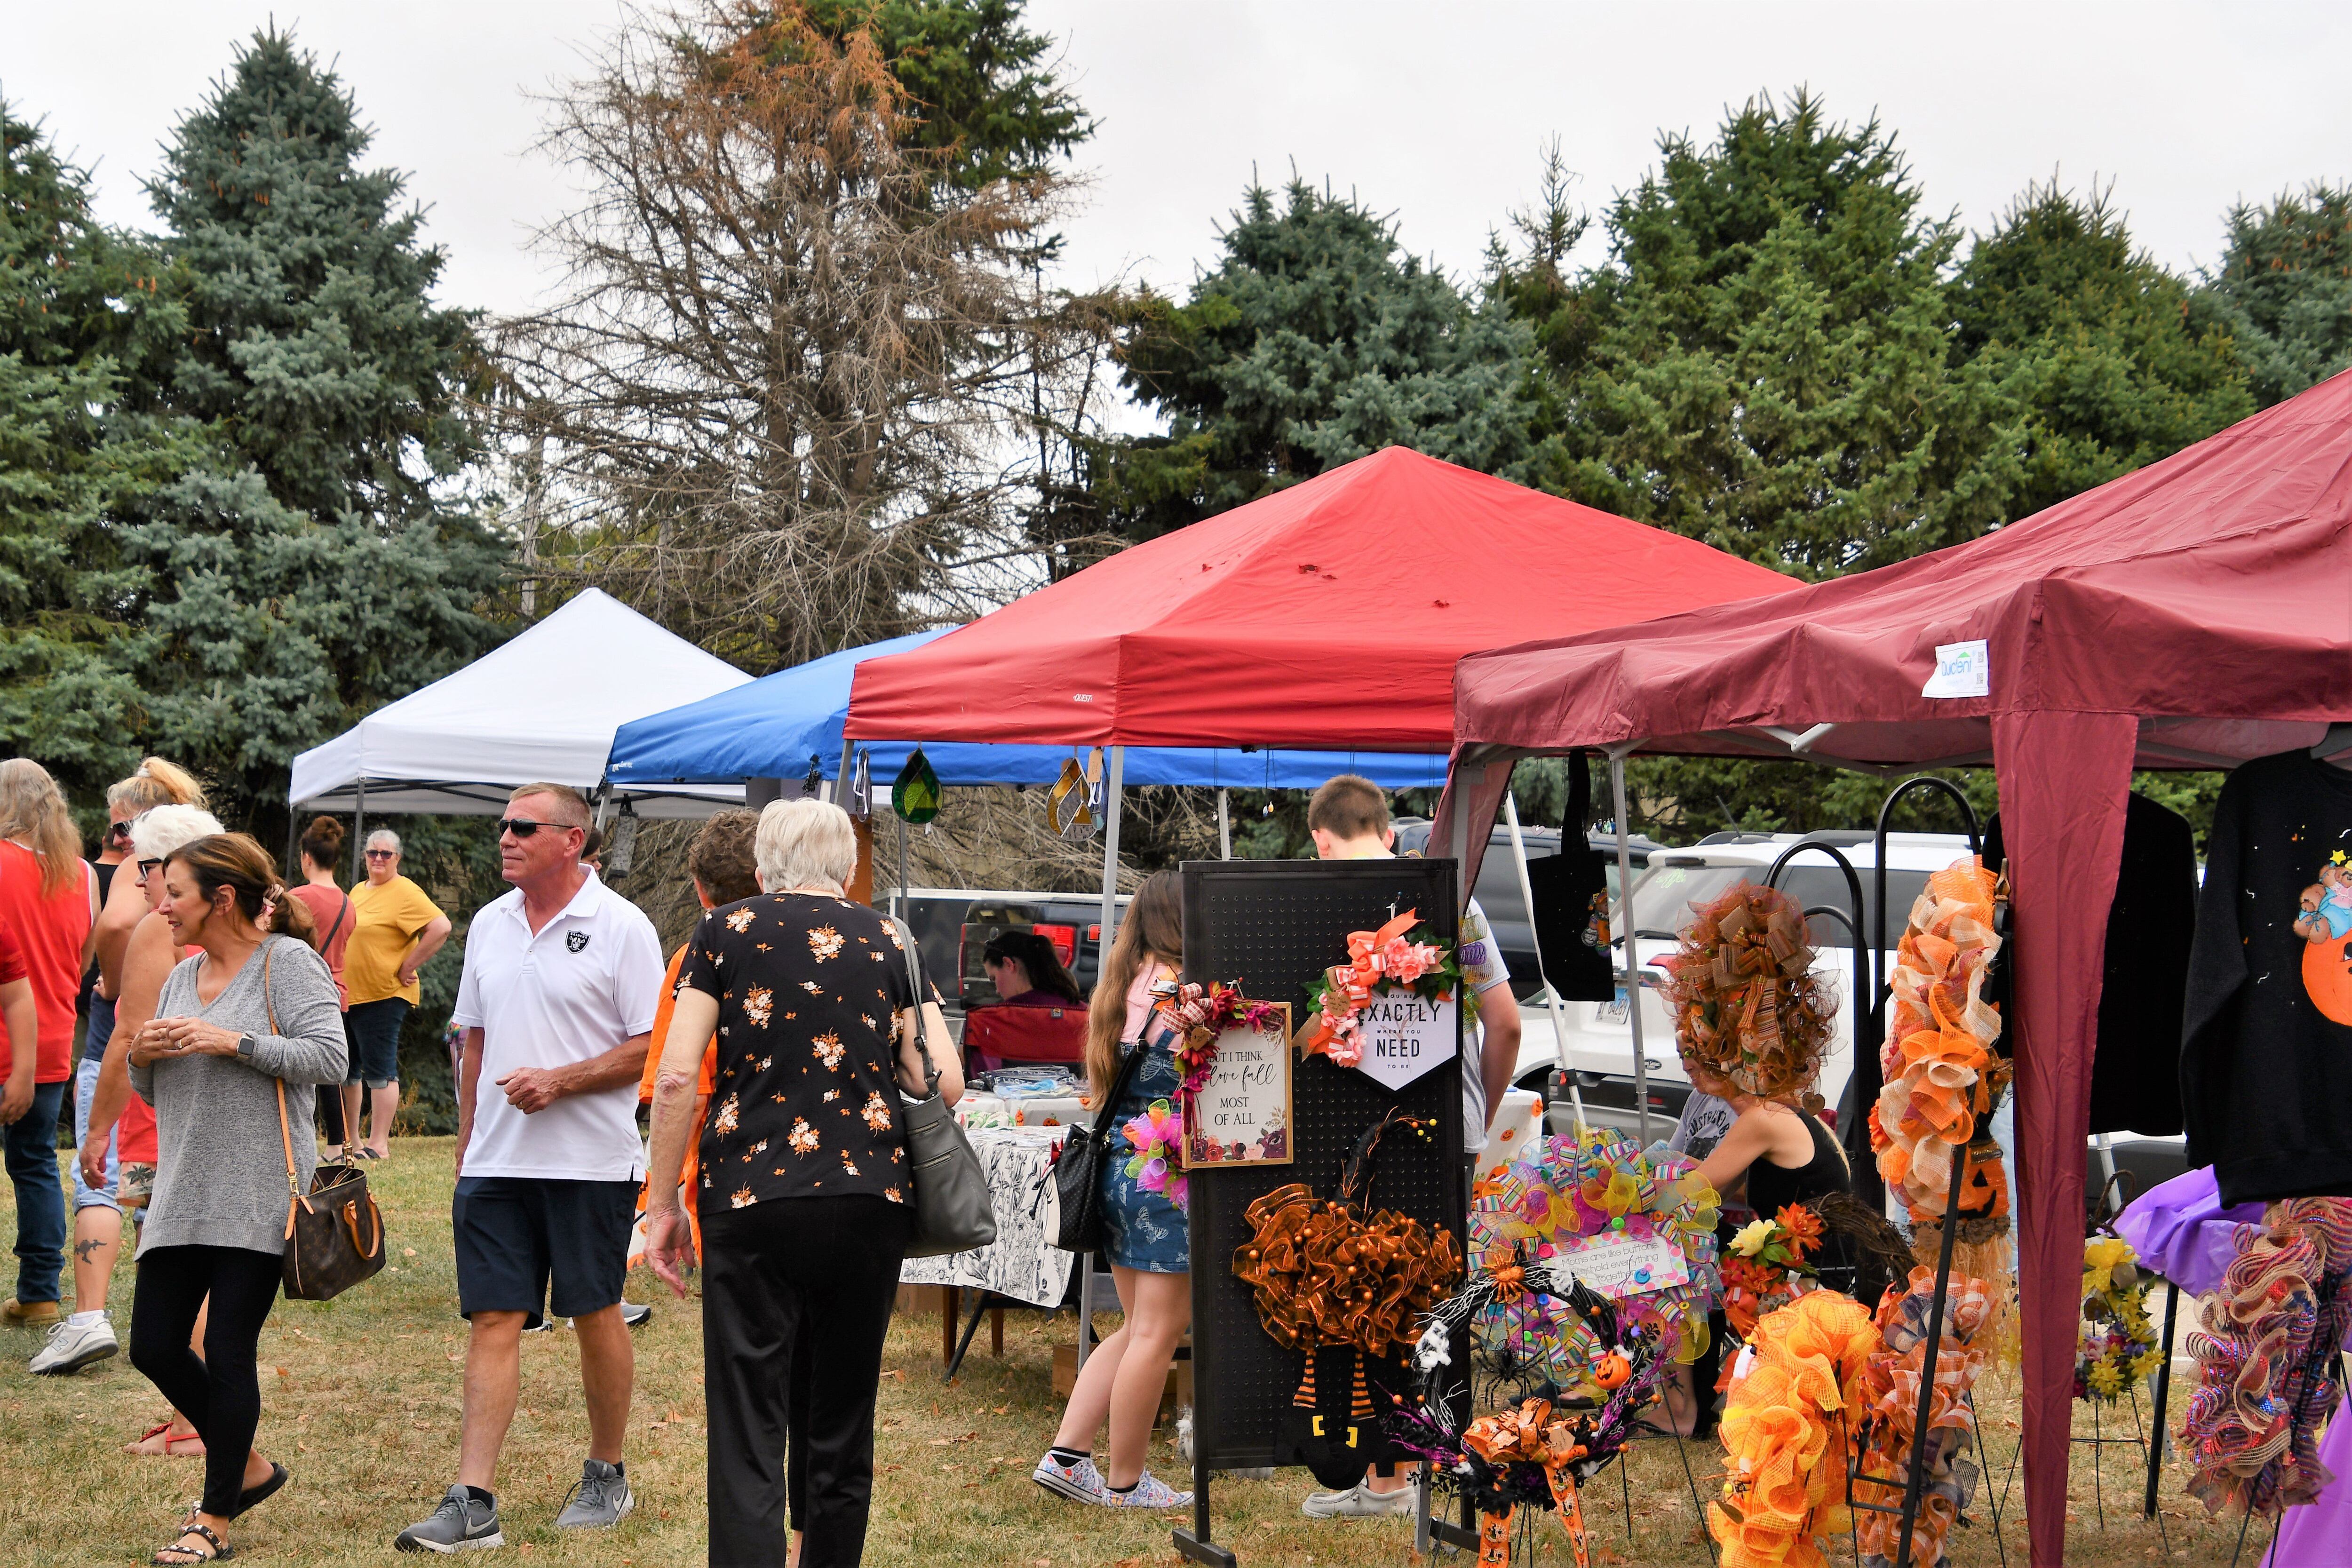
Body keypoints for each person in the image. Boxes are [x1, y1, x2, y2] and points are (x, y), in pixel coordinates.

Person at [644, 797, 962, 1566]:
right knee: (842, 1420)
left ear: (760, 869)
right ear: (849, 869)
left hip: (749, 1196)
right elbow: (943, 1081)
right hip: (866, 1198)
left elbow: (680, 1074)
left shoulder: (720, 933)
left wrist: (661, 1204)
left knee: (749, 1419)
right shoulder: (890, 937)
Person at [395, 784, 662, 1554]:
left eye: (522, 827)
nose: (504, 838)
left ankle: (607, 1470)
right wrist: (468, 1140)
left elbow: (652, 1046)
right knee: (494, 1316)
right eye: (502, 826)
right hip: (496, 1164)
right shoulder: (489, 923)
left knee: (594, 1310)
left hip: (590, 1164)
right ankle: (473, 1498)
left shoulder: (622, 927)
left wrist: (562, 1079)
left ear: (572, 839)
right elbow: (474, 1040)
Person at [1296, 773, 1522, 1519]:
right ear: (1390, 831)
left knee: (1363, 1293)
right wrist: (1479, 1113)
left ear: (1321, 840)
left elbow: (1298, 1042)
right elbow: (1507, 1023)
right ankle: (1428, 1472)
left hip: (1346, 1138)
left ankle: (1386, 1478)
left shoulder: (1310, 904)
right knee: (1437, 1301)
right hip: (1443, 1130)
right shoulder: (1454, 901)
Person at [126, 832, 345, 1564]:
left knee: (226, 1350)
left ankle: (215, 1516)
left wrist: (234, 1041)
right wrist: (141, 1056)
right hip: (185, 1189)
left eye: (176, 893)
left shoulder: (289, 963)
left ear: (223, 899)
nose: (163, 907)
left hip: (260, 1193)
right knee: (153, 1344)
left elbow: (330, 1057)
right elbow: (155, 1089)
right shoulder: (181, 976)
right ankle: (249, 1464)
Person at [1033, 869, 1194, 1513]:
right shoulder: (1181, 992)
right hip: (1165, 1173)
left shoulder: (1124, 985)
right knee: (1156, 1331)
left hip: (1123, 1171)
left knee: (1134, 1327)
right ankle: (1128, 1482)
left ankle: (1069, 1455)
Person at [73, 804, 227, 1437]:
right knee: (203, 1261)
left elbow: (127, 1035)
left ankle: (195, 1420)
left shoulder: (155, 931)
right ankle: (193, 1414)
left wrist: (98, 1130)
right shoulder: (235, 923)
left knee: (174, 1260)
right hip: (214, 1113)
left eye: (144, 868)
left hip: (160, 1115)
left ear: (170, 864)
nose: (138, 884)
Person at [634, 808, 760, 1268]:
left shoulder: (698, 960)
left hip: (733, 1188)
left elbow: (680, 1090)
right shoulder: (835, 943)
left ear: (700, 890)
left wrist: (663, 1202)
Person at [0, 758, 99, 1331]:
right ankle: (40, 1293)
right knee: (35, 1163)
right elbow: (80, 965)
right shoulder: (82, 875)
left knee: (33, 1163)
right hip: (53, 1042)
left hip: (3, 1041)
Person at [341, 828, 451, 1161]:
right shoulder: (359, 890)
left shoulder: (405, 891)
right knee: (347, 1069)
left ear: (397, 859)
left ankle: (379, 1144)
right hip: (350, 993)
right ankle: (352, 1142)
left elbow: (441, 926)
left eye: (385, 854)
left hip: (385, 993)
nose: (378, 859)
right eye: (372, 853)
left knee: (380, 1068)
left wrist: (408, 965)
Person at [286, 817, 356, 1155]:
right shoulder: (348, 902)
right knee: (330, 1072)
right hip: (337, 991)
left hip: (301, 992)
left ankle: (306, 1137)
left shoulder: (298, 897)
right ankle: (337, 1143)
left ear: (306, 857)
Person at [962, 929, 1087, 1073]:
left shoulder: (989, 1020)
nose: (997, 990)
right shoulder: (1089, 1018)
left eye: (994, 979)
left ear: (1009, 964)